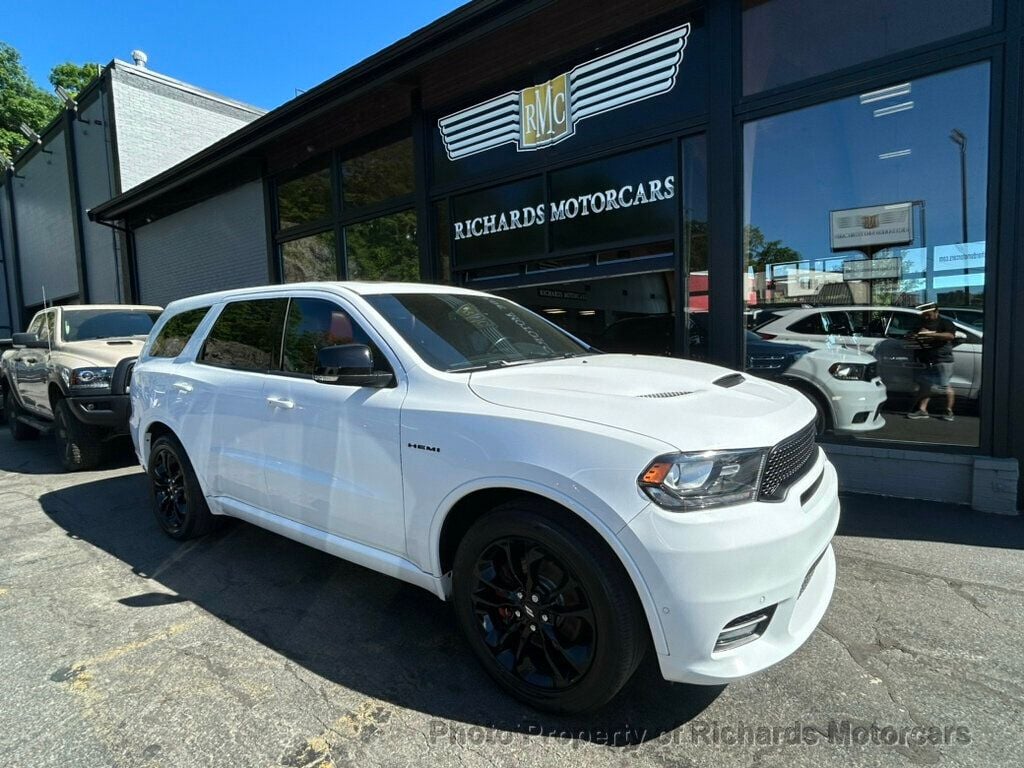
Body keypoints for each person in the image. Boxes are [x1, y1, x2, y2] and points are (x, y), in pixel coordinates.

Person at [906, 302, 957, 421]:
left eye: (929, 315)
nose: (926, 317)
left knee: (944, 387)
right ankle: (922, 410)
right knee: (926, 385)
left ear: (936, 312)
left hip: (942, 359)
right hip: (926, 359)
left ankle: (949, 411)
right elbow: (910, 335)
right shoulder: (921, 322)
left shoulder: (945, 322)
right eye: (924, 315)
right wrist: (916, 335)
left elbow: (950, 336)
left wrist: (931, 334)